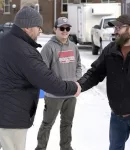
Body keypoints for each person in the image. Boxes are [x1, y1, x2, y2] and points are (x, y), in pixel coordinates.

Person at [0, 6, 81, 150]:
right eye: (38, 27)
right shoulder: (24, 51)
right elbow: (46, 79)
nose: (40, 31)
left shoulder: (4, 41)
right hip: (11, 119)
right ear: (28, 27)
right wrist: (73, 87)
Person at [78, 14, 130, 150]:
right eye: (114, 27)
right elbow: (95, 73)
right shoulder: (111, 50)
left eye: (118, 27)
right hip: (117, 113)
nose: (115, 31)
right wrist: (78, 86)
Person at [35, 17, 82, 150]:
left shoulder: (73, 46)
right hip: (54, 95)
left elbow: (79, 65)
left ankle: (66, 147)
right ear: (55, 29)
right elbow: (43, 71)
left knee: (67, 123)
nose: (65, 31)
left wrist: (76, 82)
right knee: (47, 123)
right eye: (62, 28)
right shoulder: (49, 48)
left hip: (71, 94)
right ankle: (40, 147)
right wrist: (55, 85)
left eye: (67, 28)